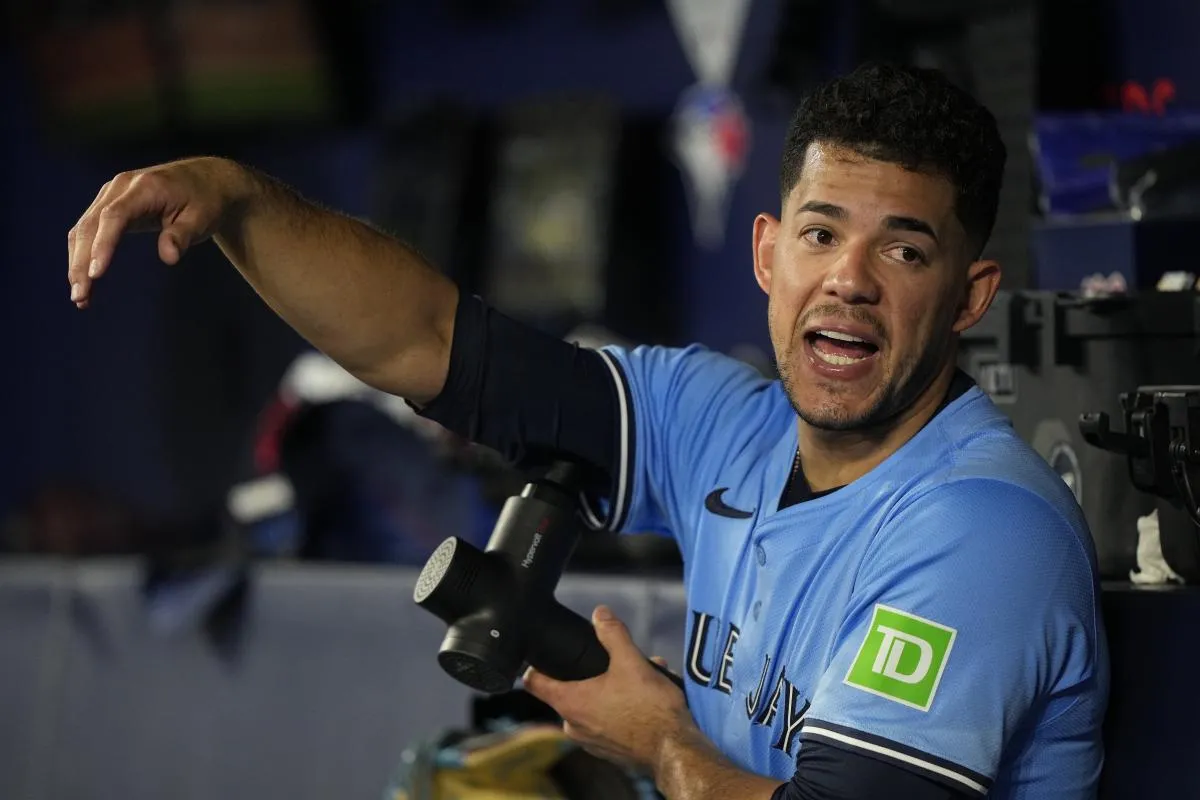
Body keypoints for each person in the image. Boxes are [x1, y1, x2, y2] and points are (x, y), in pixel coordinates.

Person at [65, 63, 1108, 799]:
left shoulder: (982, 531)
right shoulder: (720, 422)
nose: (848, 279)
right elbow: (426, 341)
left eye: (905, 251)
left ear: (971, 294)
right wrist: (235, 199)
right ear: (766, 252)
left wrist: (657, 737)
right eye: (822, 232)